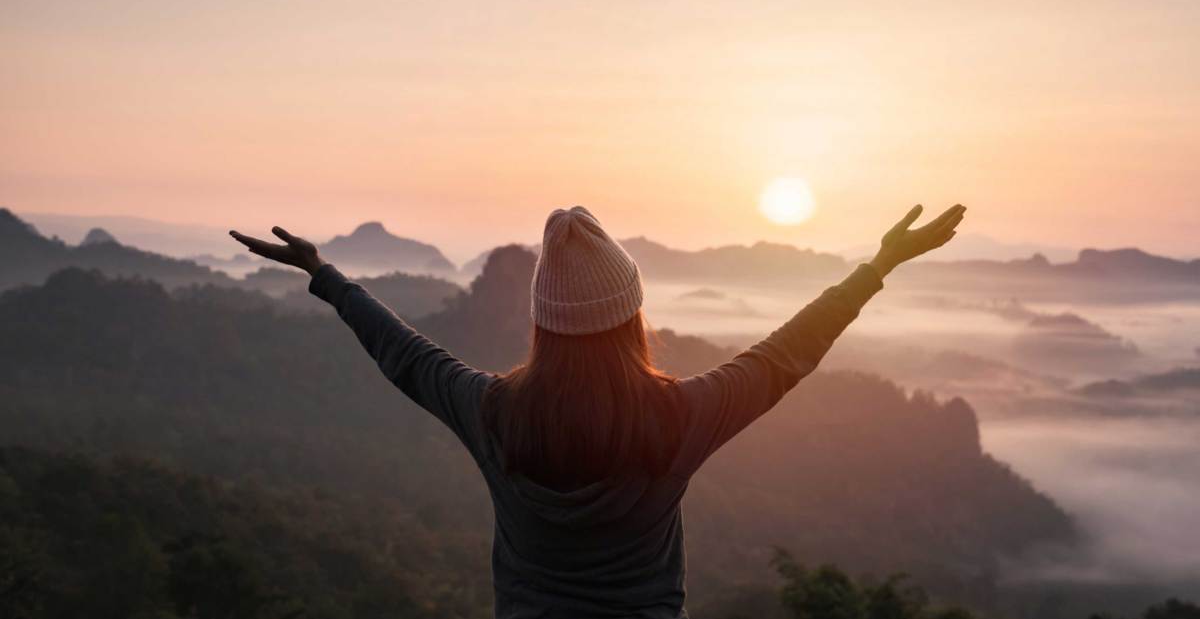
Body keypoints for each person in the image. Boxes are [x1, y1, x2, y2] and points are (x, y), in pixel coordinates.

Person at [230, 202, 965, 619]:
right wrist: (879, 266)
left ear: (543, 324)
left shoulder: (495, 414)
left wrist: (324, 275)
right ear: (632, 319)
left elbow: (408, 356)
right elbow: (783, 356)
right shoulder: (674, 420)